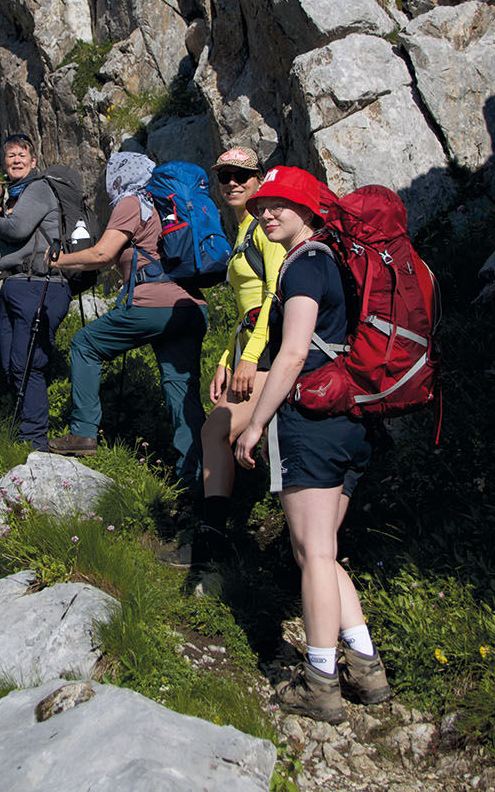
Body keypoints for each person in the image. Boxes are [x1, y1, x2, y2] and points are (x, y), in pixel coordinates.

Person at [234, 165, 390, 723]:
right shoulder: (332, 261)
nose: (266, 212)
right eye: (261, 207)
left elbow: (295, 353)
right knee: (320, 551)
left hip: (313, 422)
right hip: (347, 422)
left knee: (315, 555)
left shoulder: (305, 266)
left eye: (279, 204)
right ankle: (367, 670)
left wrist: (255, 425)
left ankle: (321, 682)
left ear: (307, 210)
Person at [48, 152, 206, 485]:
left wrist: (60, 261)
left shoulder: (133, 202)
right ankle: (195, 476)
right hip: (191, 306)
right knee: (180, 389)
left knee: (85, 344)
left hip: (154, 303)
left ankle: (82, 433)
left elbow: (104, 253)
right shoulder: (170, 203)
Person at [197, 147, 286, 562]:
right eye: (224, 176)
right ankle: (227, 536)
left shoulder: (266, 228)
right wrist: (225, 360)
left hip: (269, 346)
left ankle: (214, 540)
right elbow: (243, 311)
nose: (232, 182)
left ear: (259, 180)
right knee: (245, 439)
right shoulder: (244, 229)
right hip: (251, 343)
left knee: (217, 432)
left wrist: (249, 357)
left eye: (242, 175)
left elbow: (273, 294)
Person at [0, 133, 71, 451]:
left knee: (28, 361)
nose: (16, 159)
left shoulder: (38, 190)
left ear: (33, 161)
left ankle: (35, 439)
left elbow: (16, 230)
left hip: (39, 284)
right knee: (14, 363)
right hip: (14, 285)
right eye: (11, 155)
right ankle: (25, 430)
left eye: (22, 154)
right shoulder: (12, 198)